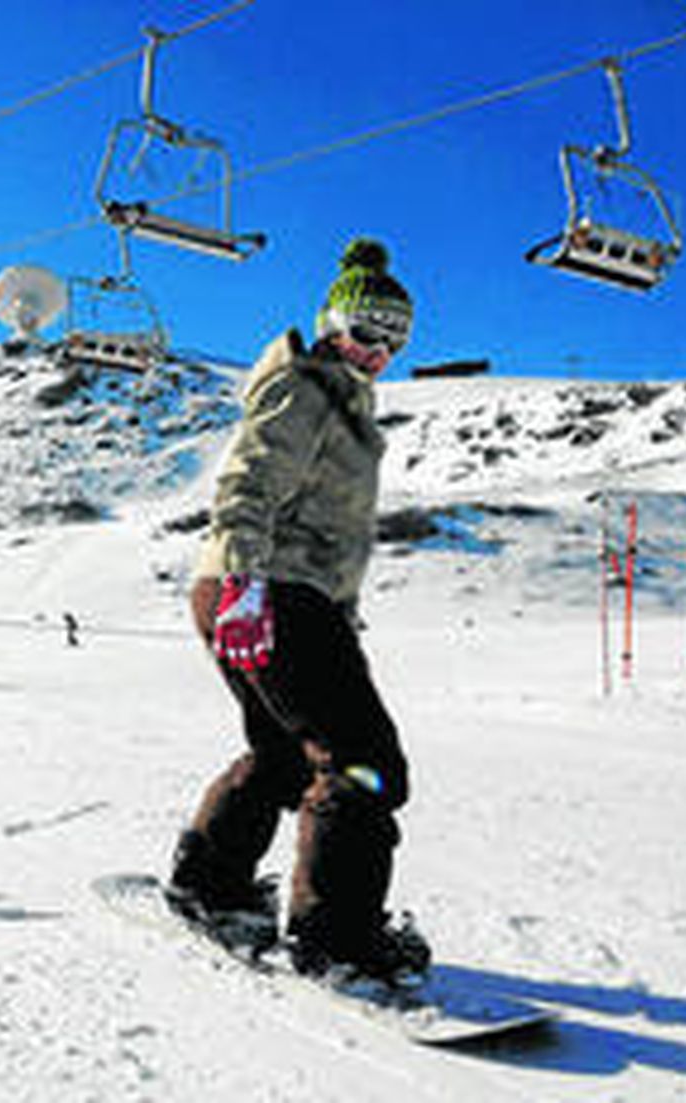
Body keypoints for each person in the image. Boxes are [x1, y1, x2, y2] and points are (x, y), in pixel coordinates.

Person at [167, 238, 430, 983]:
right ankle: (337, 939)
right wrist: (249, 582)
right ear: (330, 321)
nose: (379, 350)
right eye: (365, 331)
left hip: (256, 591)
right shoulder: (308, 384)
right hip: (268, 589)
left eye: (395, 339)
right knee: (363, 763)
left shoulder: (339, 391)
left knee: (285, 756)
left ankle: (209, 885)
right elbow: (248, 479)